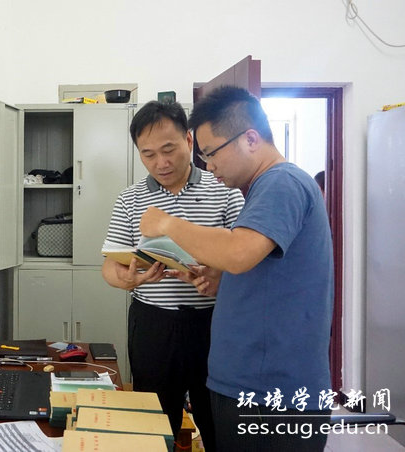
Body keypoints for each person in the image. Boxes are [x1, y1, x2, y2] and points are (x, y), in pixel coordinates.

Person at [139, 86, 334, 451]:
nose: (208, 165)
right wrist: (223, 279)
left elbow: (239, 251)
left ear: (250, 139)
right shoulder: (263, 187)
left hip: (270, 393)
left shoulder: (281, 182)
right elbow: (255, 265)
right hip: (251, 385)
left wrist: (167, 224)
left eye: (211, 153)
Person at [101, 101, 244, 450]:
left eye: (168, 150)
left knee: (219, 422)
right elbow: (110, 267)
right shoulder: (130, 199)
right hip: (154, 325)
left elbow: (245, 257)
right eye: (148, 154)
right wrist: (129, 279)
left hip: (214, 324)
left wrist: (219, 276)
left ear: (189, 141)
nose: (160, 163)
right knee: (152, 426)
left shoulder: (225, 190)